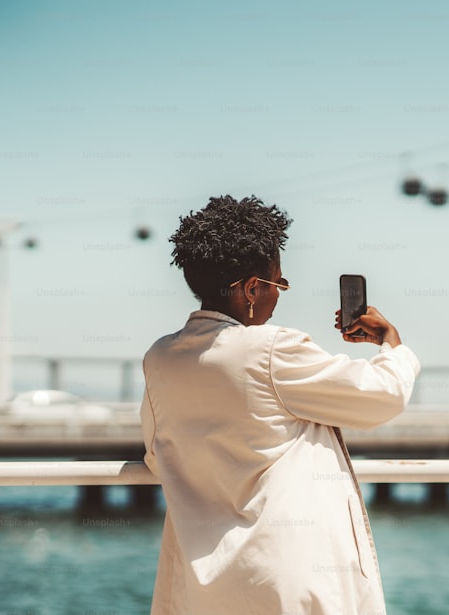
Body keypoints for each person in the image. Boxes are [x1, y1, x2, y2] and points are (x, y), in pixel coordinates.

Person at [139, 195, 419, 615]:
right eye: (278, 284)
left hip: (205, 587)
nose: (278, 297)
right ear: (252, 289)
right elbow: (382, 396)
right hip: (285, 577)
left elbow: (159, 459)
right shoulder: (271, 349)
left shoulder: (161, 358)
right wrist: (390, 342)